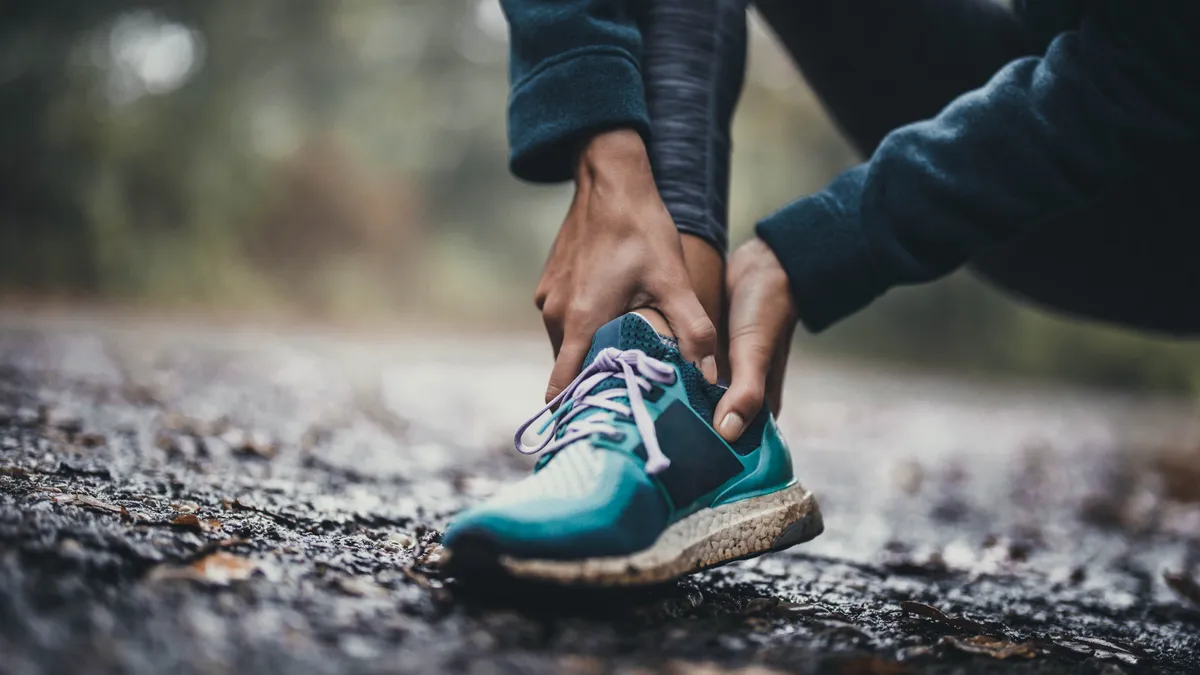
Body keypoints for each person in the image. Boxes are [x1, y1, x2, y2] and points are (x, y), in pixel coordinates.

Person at [441, 0, 1200, 584]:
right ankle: (671, 360)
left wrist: (828, 240)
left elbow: (1160, 68)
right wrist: (602, 135)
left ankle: (670, 377)